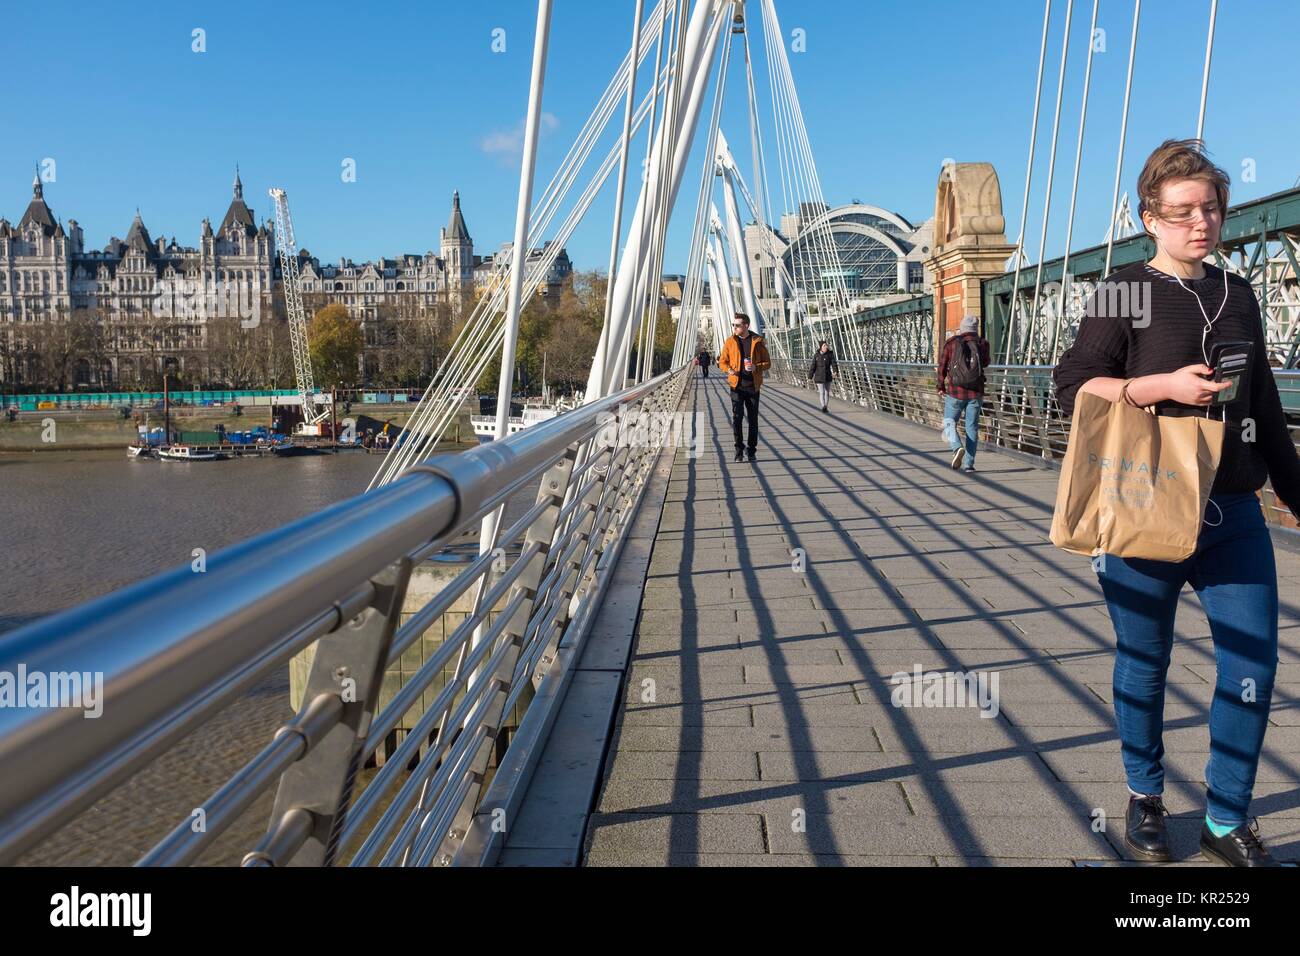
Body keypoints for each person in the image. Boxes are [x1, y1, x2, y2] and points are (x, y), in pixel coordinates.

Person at [1054, 139, 1300, 867]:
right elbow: (1071, 385)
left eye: (1212, 208)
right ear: (1149, 218)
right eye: (1185, 211)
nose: (1202, 222)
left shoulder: (1241, 293)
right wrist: (1158, 389)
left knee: (1253, 664)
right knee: (1144, 660)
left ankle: (1226, 819)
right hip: (1143, 504)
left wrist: (1296, 491)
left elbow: (1262, 406)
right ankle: (1145, 795)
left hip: (1231, 510)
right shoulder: (1123, 289)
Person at [937, 314, 989, 472]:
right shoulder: (983, 343)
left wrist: (940, 386)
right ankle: (969, 465)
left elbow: (942, 366)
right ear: (975, 329)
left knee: (948, 423)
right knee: (971, 427)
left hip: (955, 391)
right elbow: (986, 363)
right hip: (976, 392)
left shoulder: (952, 343)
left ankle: (956, 447)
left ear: (962, 328)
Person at [716, 313, 771, 462]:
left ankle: (752, 451)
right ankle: (739, 450)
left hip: (753, 386)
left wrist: (756, 366)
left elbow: (768, 363)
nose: (734, 327)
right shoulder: (730, 342)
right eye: (733, 325)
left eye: (737, 325)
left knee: (753, 420)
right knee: (737, 418)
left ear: (746, 325)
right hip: (736, 386)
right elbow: (722, 362)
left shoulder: (757, 341)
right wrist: (728, 370)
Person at [807, 340, 837, 413]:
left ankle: (825, 406)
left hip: (827, 376)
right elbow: (813, 366)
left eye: (826, 345)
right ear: (821, 347)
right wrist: (810, 377)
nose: (826, 346)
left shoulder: (830, 354)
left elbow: (834, 363)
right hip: (819, 376)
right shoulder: (817, 355)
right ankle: (823, 406)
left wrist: (835, 371)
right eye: (824, 345)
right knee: (822, 392)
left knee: (827, 392)